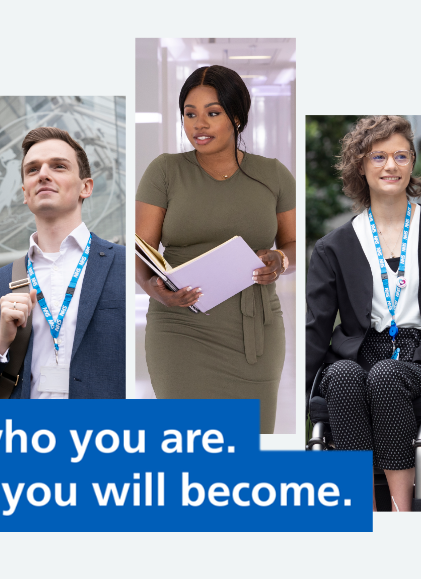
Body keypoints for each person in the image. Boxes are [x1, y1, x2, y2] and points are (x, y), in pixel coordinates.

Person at [306, 115, 421, 511]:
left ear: (412, 163)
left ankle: (402, 512)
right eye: (378, 157)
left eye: (400, 156)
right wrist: (308, 389)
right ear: (361, 165)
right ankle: (362, 510)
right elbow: (316, 326)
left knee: (386, 375)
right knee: (340, 375)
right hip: (362, 349)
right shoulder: (335, 246)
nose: (390, 166)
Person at [135, 65, 295, 434]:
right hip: (180, 328)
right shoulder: (165, 171)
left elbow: (290, 243)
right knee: (186, 444)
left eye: (212, 113)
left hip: (253, 331)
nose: (199, 124)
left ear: (236, 117)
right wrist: (152, 289)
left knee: (247, 448)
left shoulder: (272, 175)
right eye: (190, 114)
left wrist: (281, 260)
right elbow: (143, 250)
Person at [0, 127, 126, 399]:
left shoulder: (122, 265)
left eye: (59, 166)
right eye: (32, 170)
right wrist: (1, 341)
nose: (43, 174)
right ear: (25, 193)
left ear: (85, 187)